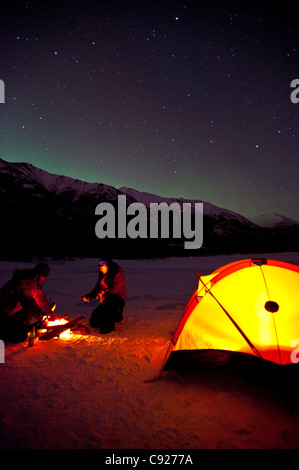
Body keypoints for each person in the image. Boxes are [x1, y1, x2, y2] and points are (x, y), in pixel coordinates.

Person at [0, 264, 53, 343]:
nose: (44, 280)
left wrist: (49, 314)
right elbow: (28, 301)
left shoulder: (35, 283)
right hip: (3, 312)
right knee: (19, 336)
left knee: (27, 321)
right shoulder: (24, 282)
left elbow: (40, 299)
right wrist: (40, 314)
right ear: (38, 275)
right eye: (44, 277)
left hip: (12, 311)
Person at [80, 259, 126, 334]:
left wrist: (99, 294)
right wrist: (91, 295)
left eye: (102, 266)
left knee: (108, 312)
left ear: (108, 266)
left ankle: (112, 321)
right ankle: (115, 316)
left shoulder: (118, 274)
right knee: (94, 322)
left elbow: (114, 291)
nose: (100, 268)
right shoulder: (103, 275)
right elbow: (98, 287)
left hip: (117, 299)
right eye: (99, 267)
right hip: (106, 299)